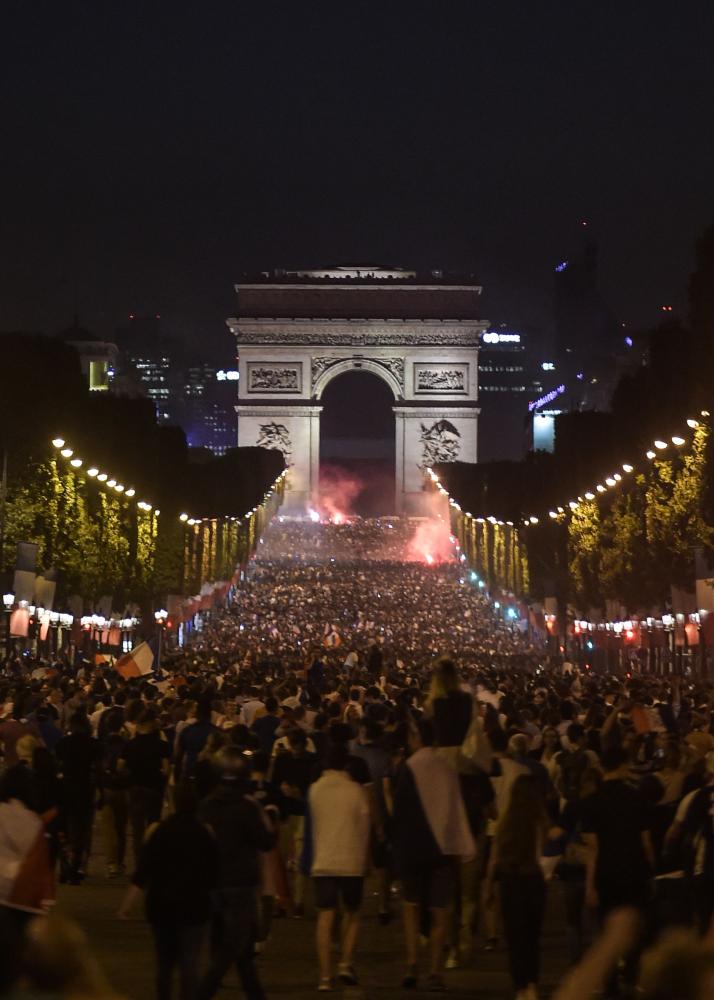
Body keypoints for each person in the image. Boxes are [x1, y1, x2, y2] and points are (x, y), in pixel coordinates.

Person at [392, 719, 475, 991]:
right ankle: (436, 969)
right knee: (440, 912)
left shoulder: (407, 768)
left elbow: (400, 813)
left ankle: (412, 964)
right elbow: (455, 809)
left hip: (412, 849)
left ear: (417, 737)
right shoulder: (446, 768)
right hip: (442, 849)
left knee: (411, 908)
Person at [118, 783, 220, 1000]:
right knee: (190, 964)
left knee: (164, 964)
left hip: (163, 906)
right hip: (195, 907)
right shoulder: (204, 834)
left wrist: (127, 904)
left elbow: (143, 871)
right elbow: (215, 873)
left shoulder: (160, 831)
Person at [197, 747, 275, 1000]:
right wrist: (269, 818)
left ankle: (255, 994)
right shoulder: (246, 807)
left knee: (237, 951)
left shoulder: (207, 806)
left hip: (213, 882)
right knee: (233, 947)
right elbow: (265, 841)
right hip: (240, 884)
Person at [306, 742, 371, 992]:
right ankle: (345, 962)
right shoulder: (356, 791)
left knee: (325, 916)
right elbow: (365, 826)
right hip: (351, 858)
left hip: (324, 859)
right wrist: (366, 859)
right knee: (353, 913)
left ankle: (324, 976)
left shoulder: (315, 790)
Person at [485, 773, 549, 1000]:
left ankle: (520, 986)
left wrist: (489, 886)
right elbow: (543, 854)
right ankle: (532, 983)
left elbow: (494, 857)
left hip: (511, 883)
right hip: (533, 881)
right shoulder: (540, 821)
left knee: (515, 938)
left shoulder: (506, 821)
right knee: (532, 937)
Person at [55, 710, 102, 884]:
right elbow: (98, 769)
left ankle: (65, 867)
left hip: (66, 789)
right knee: (82, 830)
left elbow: (58, 763)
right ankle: (77, 867)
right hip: (85, 790)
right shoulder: (93, 744)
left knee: (64, 829)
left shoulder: (63, 743)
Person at [120, 708, 170, 862]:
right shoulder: (161, 745)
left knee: (137, 828)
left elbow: (120, 766)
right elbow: (167, 769)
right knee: (153, 825)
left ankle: (139, 860)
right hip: (154, 787)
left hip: (135, 787)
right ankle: (152, 858)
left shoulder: (130, 744)